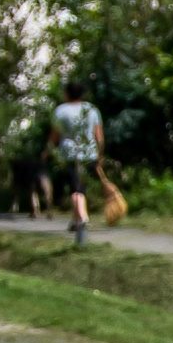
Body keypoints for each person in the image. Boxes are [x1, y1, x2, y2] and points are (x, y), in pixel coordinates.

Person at [50, 82, 105, 244]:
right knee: (81, 187)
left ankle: (82, 218)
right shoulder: (92, 110)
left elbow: (55, 135)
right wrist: (100, 155)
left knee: (75, 189)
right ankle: (76, 221)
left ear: (67, 93)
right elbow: (99, 135)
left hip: (70, 154)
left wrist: (48, 151)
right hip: (89, 153)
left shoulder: (61, 111)